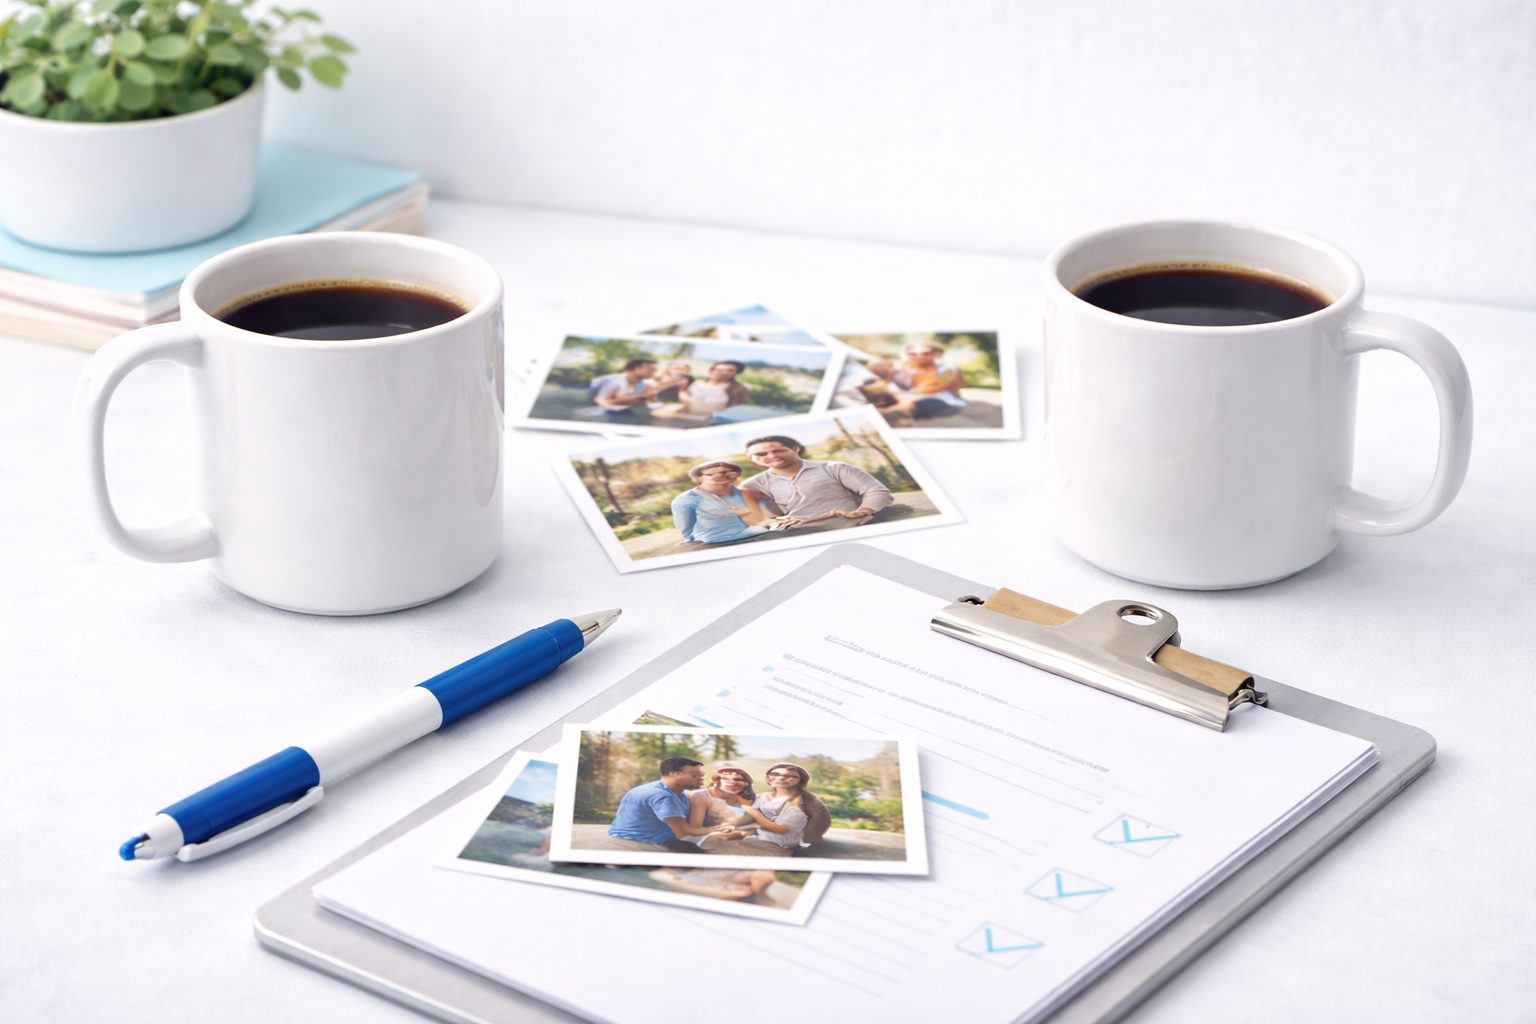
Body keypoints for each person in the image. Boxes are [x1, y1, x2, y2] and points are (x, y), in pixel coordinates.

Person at [740, 435, 893, 531]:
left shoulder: (835, 468)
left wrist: (866, 510)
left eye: (779, 450)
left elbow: (876, 491)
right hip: (794, 535)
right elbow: (759, 516)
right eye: (761, 454)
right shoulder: (752, 485)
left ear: (795, 449)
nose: (772, 456)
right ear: (751, 459)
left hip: (850, 528)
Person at [605, 757, 735, 852]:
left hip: (642, 835)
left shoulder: (677, 793)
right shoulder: (662, 796)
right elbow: (683, 833)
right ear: (675, 774)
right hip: (641, 839)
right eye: (694, 775)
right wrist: (715, 829)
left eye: (701, 776)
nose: (701, 779)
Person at [707, 762, 832, 857]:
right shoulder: (761, 797)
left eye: (790, 776)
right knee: (713, 837)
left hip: (780, 842)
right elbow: (747, 818)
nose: (781, 778)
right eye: (776, 774)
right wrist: (732, 825)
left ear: (800, 780)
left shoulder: (803, 803)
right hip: (756, 835)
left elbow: (780, 829)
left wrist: (752, 812)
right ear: (768, 779)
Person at [671, 461, 777, 545]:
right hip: (716, 541)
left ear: (737, 474)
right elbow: (687, 529)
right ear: (700, 478)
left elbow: (763, 518)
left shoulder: (746, 492)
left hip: (755, 534)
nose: (720, 476)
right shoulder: (687, 500)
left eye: (725, 472)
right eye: (711, 474)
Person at [679, 764, 758, 848]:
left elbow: (754, 823)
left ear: (746, 783)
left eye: (738, 779)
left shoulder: (747, 798)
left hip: (744, 835)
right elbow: (694, 828)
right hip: (708, 836)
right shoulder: (701, 796)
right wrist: (723, 829)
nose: (732, 782)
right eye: (726, 778)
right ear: (716, 780)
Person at [652, 361, 751, 423]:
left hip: (708, 420)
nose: (721, 372)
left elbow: (733, 413)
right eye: (717, 369)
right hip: (685, 415)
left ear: (736, 373)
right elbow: (685, 400)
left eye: (729, 370)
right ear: (711, 371)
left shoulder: (739, 389)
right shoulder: (697, 383)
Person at [898, 341, 967, 419]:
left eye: (926, 353)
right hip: (914, 400)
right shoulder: (907, 371)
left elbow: (940, 387)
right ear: (907, 355)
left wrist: (906, 395)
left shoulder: (947, 369)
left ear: (936, 354)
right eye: (913, 354)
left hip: (943, 402)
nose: (919, 356)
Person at [589, 358, 661, 421]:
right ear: (637, 369)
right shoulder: (615, 382)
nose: (654, 372)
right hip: (603, 401)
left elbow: (653, 403)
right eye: (650, 370)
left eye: (654, 370)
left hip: (622, 405)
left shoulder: (647, 383)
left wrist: (652, 401)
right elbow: (600, 400)